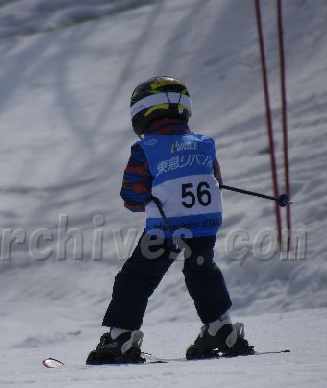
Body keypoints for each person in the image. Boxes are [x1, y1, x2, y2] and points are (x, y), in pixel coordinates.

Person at [86, 76, 253, 365]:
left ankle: (120, 338)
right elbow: (215, 179)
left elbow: (131, 195)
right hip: (204, 224)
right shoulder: (204, 144)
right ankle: (220, 328)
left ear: (141, 111)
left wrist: (146, 198)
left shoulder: (146, 148)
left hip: (166, 228)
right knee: (202, 271)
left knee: (136, 277)